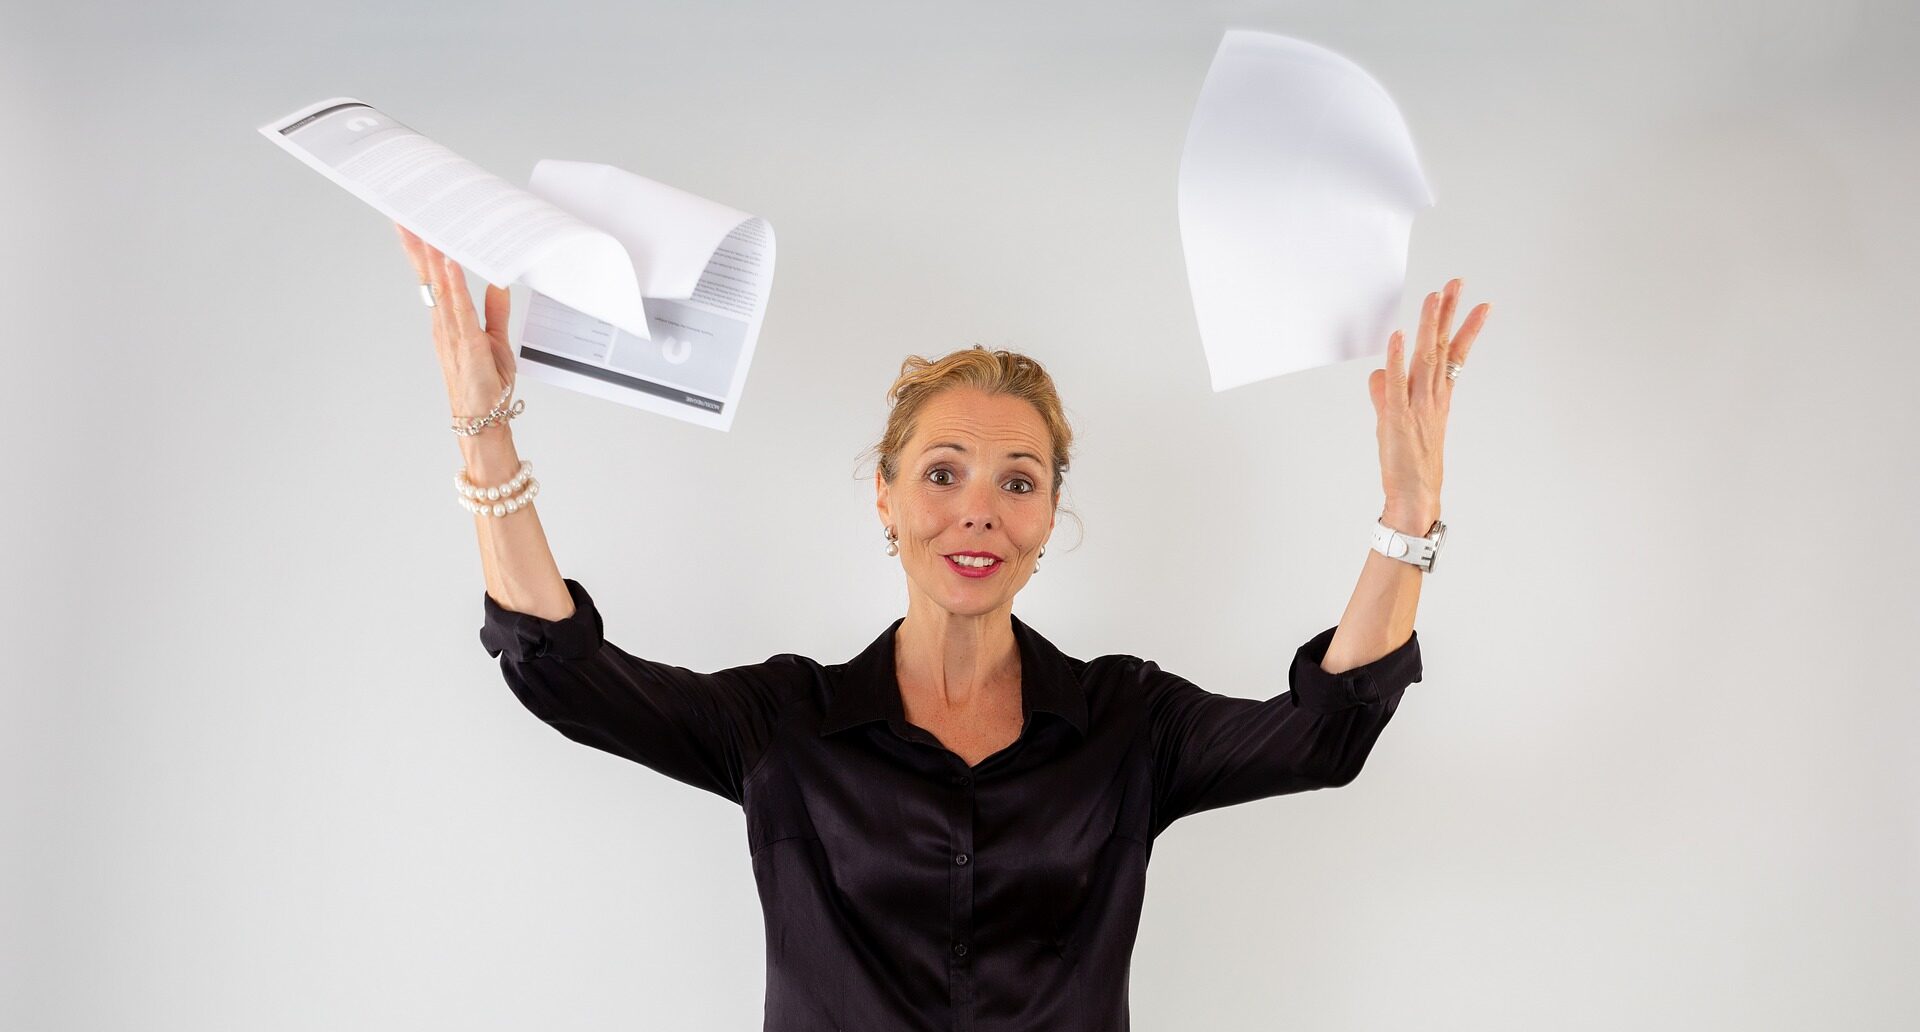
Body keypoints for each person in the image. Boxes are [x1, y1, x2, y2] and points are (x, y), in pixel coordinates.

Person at [395, 223, 1489, 1031]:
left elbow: (1324, 735)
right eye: (942, 472)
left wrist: (1405, 518)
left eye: (1018, 480)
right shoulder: (782, 723)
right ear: (885, 497)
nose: (978, 508)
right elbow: (565, 674)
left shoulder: (1128, 722)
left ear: (1050, 514)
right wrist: (482, 434)